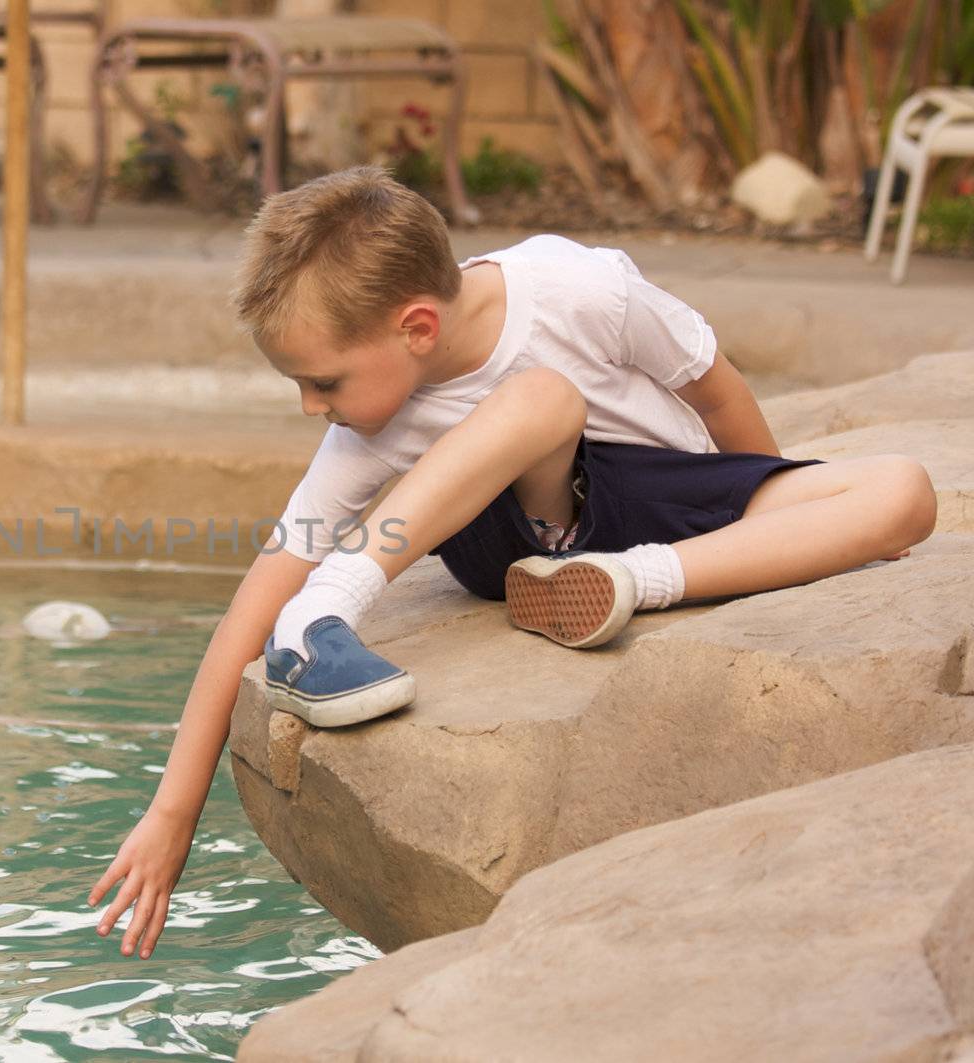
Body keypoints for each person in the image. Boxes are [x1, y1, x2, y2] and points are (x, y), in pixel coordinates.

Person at [87, 166, 937, 959]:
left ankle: (626, 585)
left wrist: (771, 499)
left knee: (903, 492)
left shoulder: (581, 290)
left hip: (659, 521)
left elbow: (712, 388)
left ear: (415, 326)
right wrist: (172, 812)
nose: (313, 406)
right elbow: (251, 604)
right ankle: (328, 609)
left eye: (325, 382)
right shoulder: (367, 435)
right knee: (542, 397)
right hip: (526, 530)